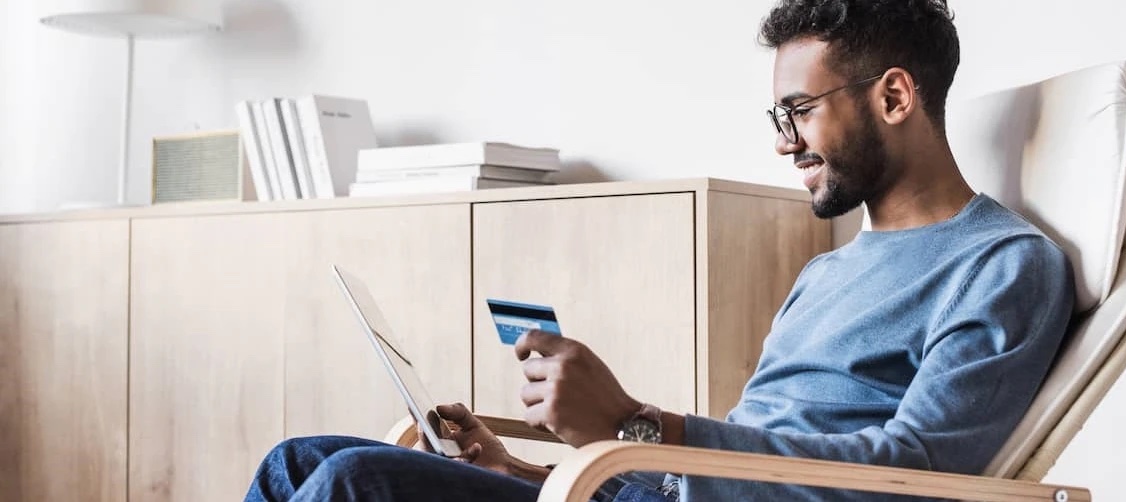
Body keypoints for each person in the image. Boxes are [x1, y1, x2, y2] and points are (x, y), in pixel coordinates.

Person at [244, 0, 1076, 500]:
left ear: (895, 94)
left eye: (800, 110)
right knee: (300, 463)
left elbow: (916, 473)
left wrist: (633, 422)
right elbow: (698, 482)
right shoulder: (828, 271)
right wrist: (518, 471)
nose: (785, 144)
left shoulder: (1001, 267)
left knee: (354, 487)